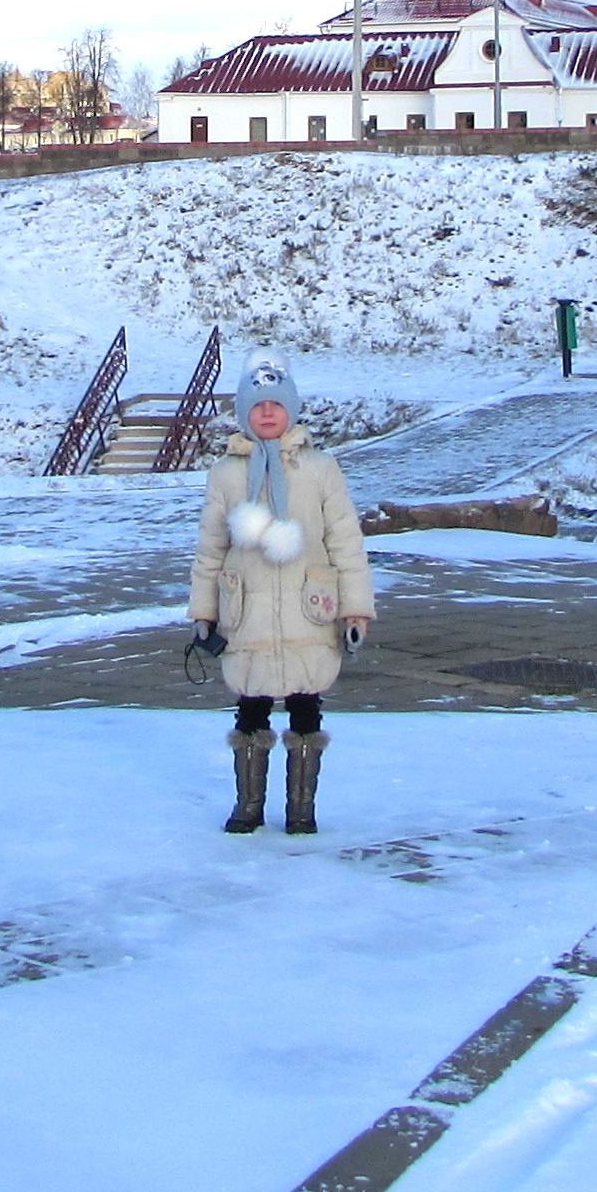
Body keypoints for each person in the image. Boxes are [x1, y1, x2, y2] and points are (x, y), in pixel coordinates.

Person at [187, 354, 374, 835]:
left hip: (308, 608)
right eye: (257, 406)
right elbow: (211, 547)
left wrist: (355, 607)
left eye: (276, 405)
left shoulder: (319, 469)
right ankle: (248, 805)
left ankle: (301, 809)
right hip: (245, 611)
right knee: (250, 703)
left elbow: (345, 540)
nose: (267, 414)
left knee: (305, 702)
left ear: (291, 410)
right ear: (243, 413)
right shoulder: (226, 474)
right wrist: (203, 611)